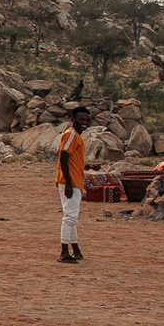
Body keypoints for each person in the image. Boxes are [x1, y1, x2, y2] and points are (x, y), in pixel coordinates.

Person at [57, 104, 91, 263]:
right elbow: (63, 156)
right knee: (70, 217)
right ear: (73, 120)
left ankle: (76, 249)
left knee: (72, 217)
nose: (84, 122)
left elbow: (72, 159)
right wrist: (68, 183)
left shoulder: (76, 136)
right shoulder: (71, 134)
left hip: (74, 180)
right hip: (70, 181)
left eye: (86, 119)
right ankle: (64, 251)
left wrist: (88, 166)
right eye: (81, 119)